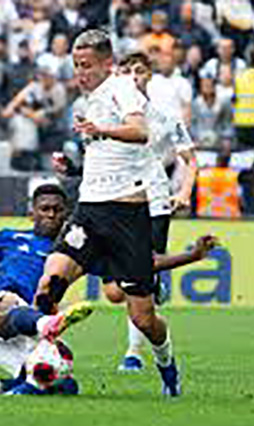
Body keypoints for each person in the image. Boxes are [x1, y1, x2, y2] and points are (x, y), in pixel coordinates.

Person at [0, 184, 219, 395]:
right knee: (13, 303)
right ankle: (46, 323)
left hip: (24, 338)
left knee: (63, 387)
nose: (50, 214)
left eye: (57, 210)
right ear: (31, 211)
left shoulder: (78, 251)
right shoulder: (9, 237)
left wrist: (193, 255)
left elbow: (142, 264)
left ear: (68, 214)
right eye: (44, 208)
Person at [34, 29, 180, 396]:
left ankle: (167, 365)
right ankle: (43, 366)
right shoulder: (89, 100)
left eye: (86, 66)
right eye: (75, 66)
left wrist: (101, 129)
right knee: (48, 285)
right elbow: (107, 153)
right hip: (89, 211)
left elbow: (139, 130)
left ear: (106, 64)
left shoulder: (123, 87)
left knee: (142, 317)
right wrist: (73, 167)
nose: (79, 73)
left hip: (128, 215)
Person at [109, 52, 197, 372]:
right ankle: (151, 280)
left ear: (149, 77)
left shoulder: (165, 117)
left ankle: (133, 353)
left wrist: (184, 192)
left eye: (140, 71)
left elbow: (191, 159)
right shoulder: (112, 115)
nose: (134, 76)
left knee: (138, 281)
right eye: (127, 71)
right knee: (113, 293)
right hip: (117, 199)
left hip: (156, 201)